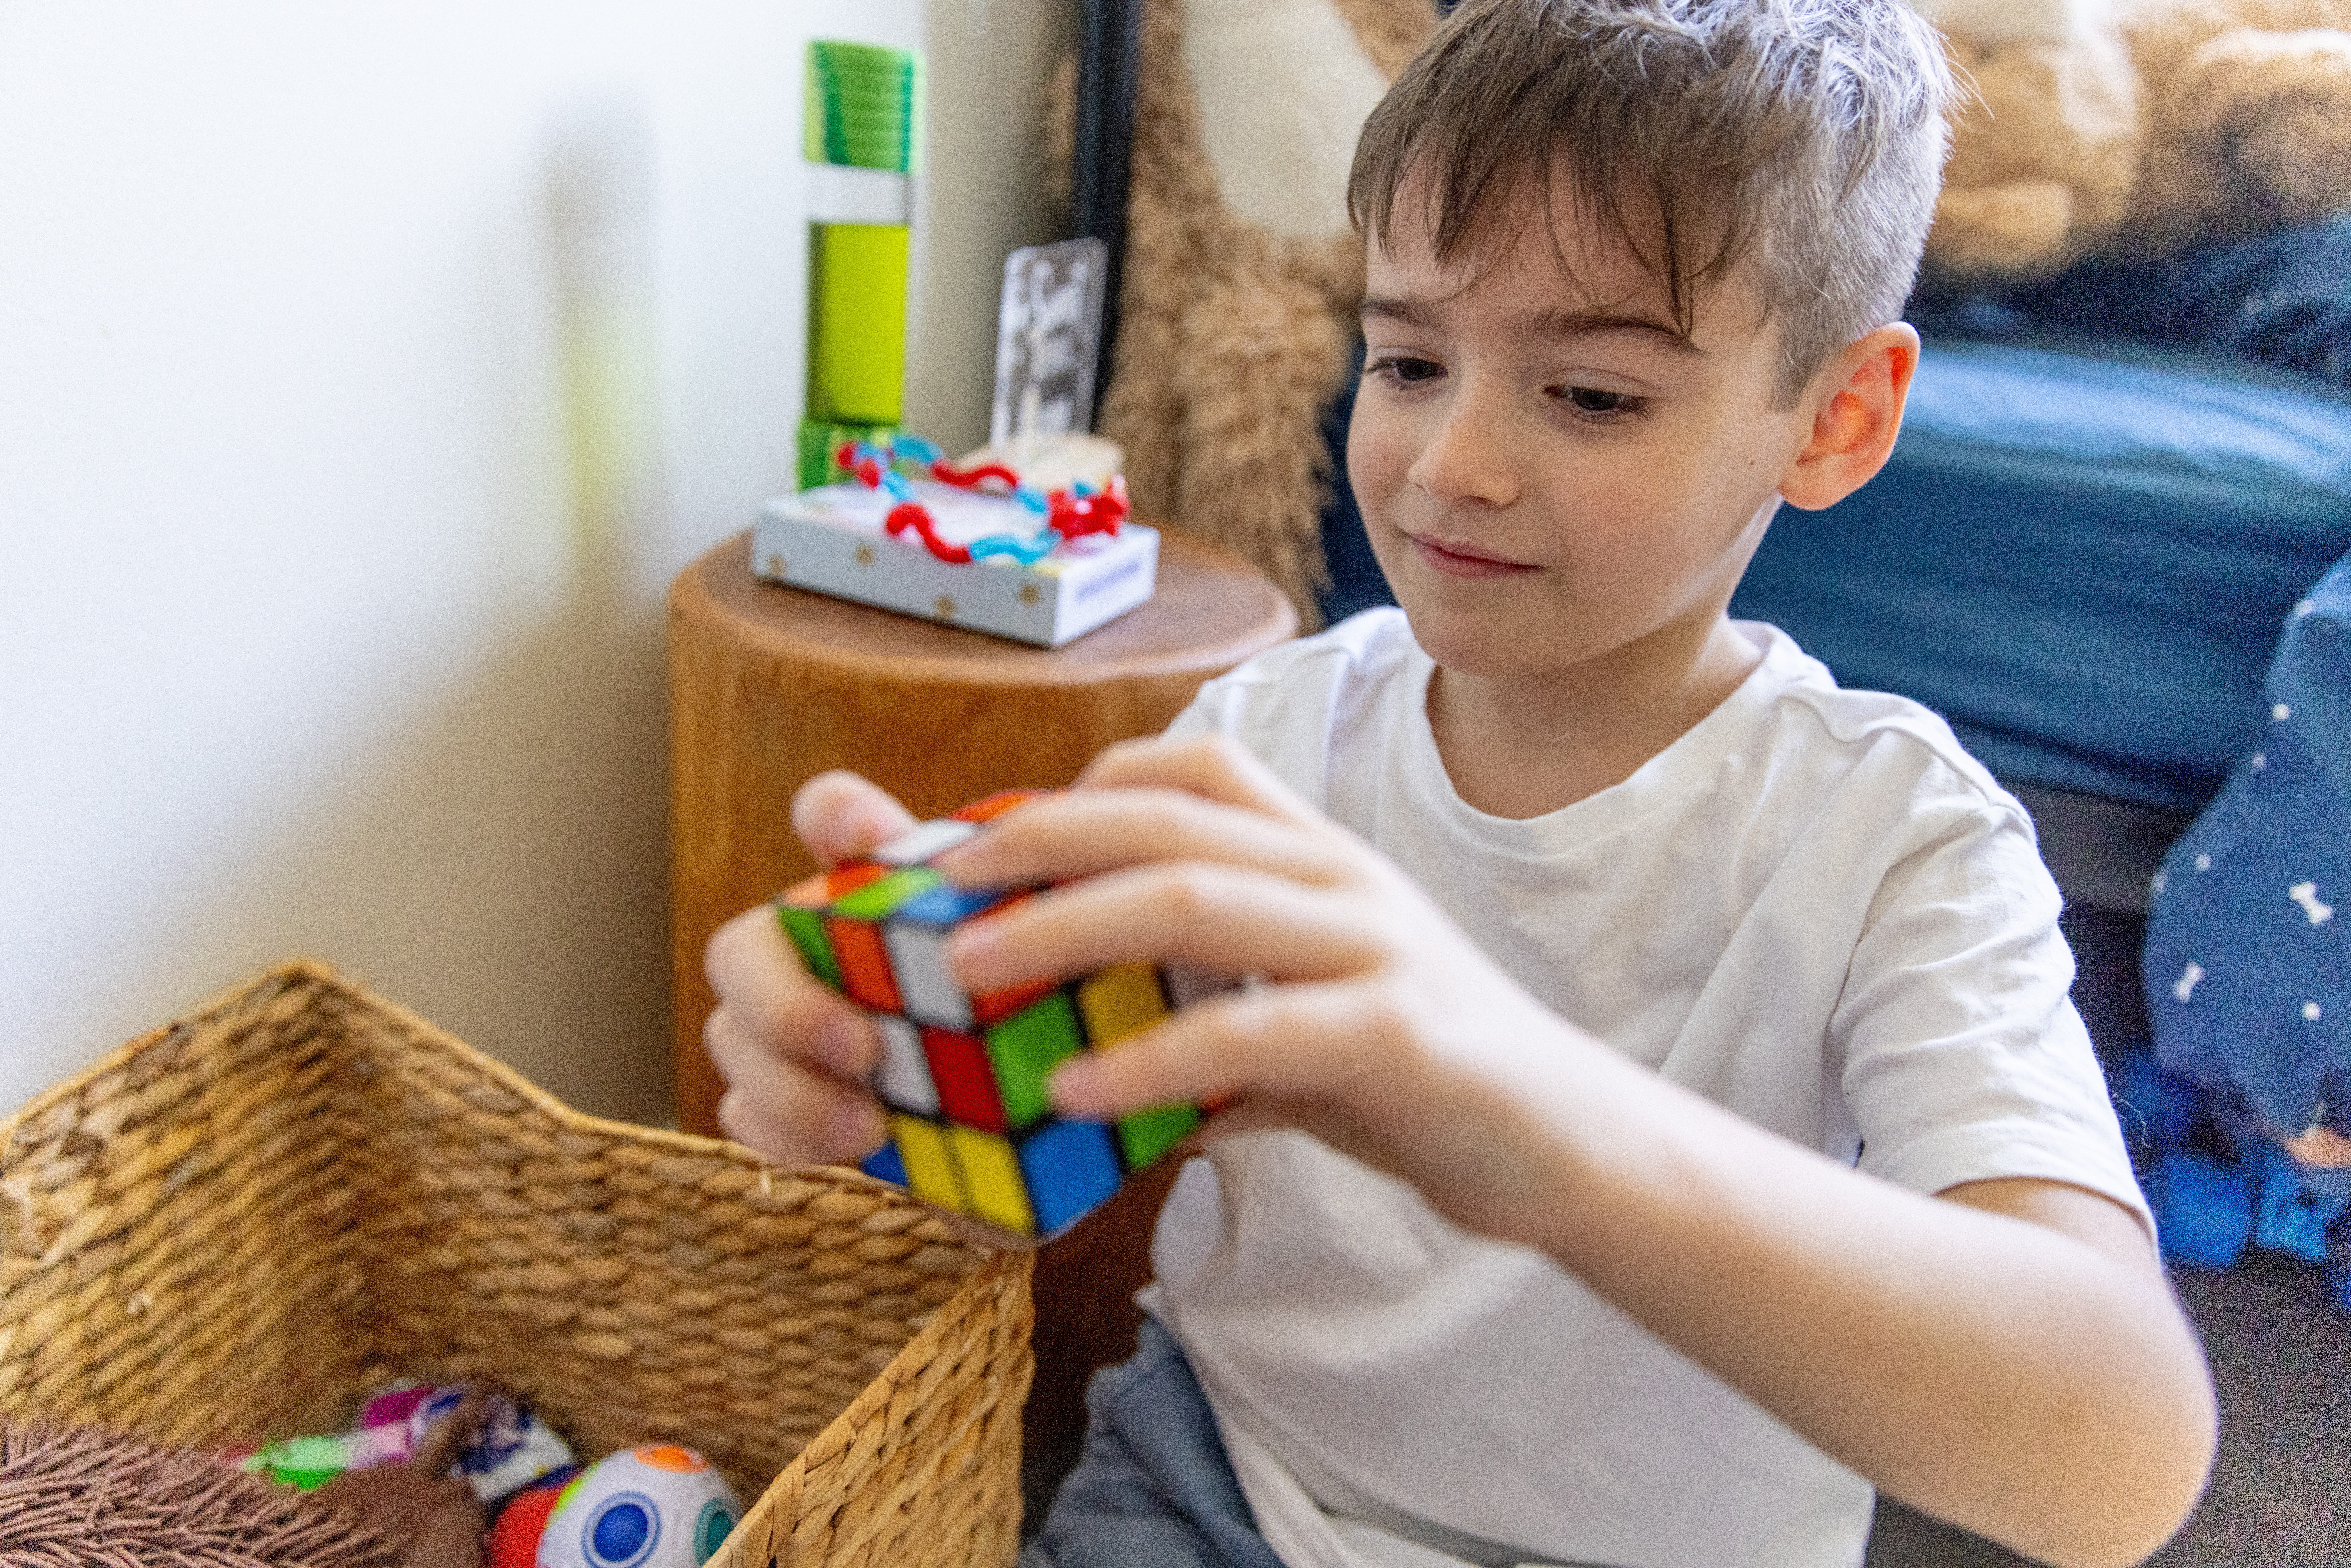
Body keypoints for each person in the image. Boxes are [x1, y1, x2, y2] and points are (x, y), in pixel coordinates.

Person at [702, 1, 2220, 1563]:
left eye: (1593, 395)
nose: (1449, 464)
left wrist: (1525, 1110)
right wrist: (882, 1057)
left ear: (1835, 418)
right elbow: (1023, 1155)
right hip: (1220, 1487)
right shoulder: (1259, 745)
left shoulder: (1900, 837)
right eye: (1410, 357)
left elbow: (2119, 1458)